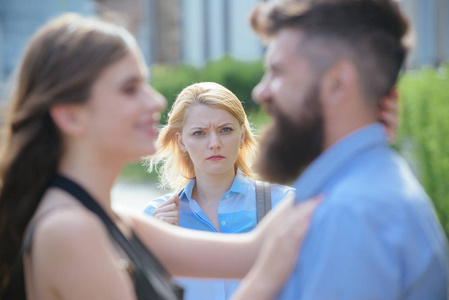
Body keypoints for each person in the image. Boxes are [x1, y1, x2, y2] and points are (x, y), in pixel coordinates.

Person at [0, 13, 321, 300]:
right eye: (130, 88)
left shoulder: (116, 220)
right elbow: (258, 263)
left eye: (146, 84)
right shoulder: (70, 230)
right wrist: (264, 284)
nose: (155, 101)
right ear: (71, 117)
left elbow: (248, 253)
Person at [249, 0, 449, 299]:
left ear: (337, 84)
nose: (260, 91)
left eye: (277, 71)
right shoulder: (365, 186)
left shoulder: (350, 214)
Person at [144, 79, 399, 300]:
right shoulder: (156, 219)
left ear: (242, 134)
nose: (214, 143)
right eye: (199, 133)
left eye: (225, 130)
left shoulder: (283, 204)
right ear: (181, 141)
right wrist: (160, 256)